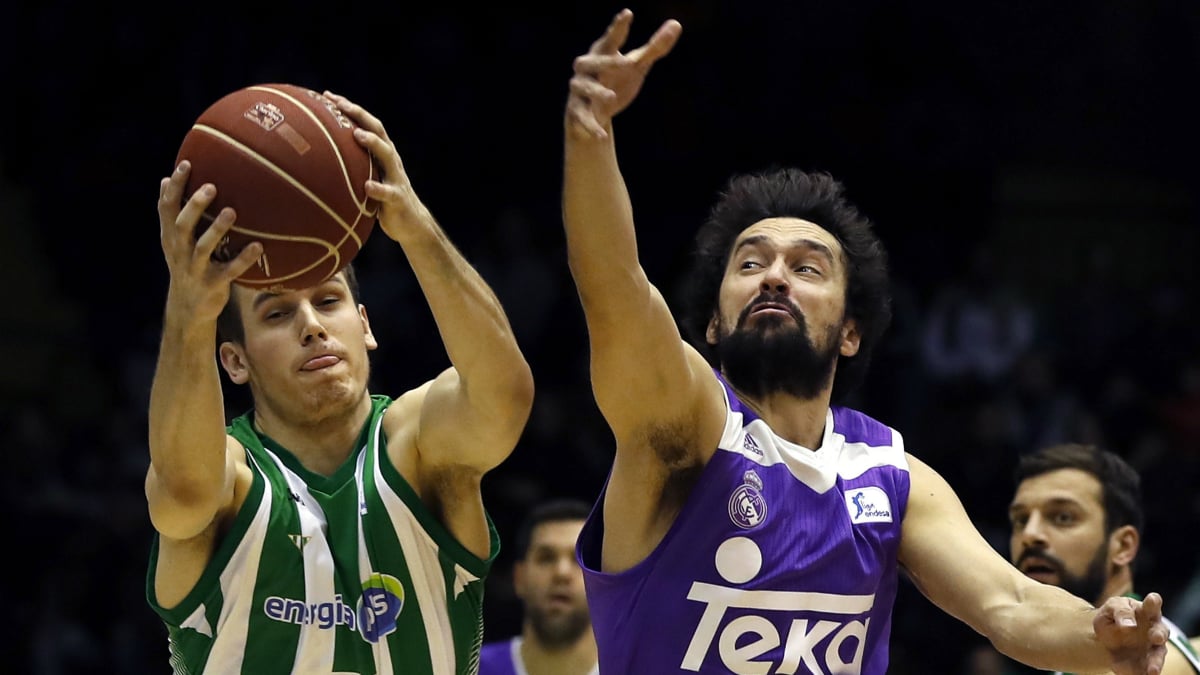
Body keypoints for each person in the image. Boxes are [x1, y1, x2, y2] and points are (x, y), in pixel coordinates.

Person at [560, 9, 1169, 674]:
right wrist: (590, 138)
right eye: (751, 262)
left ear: (850, 331)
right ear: (713, 323)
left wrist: (1101, 636)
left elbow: (1012, 604)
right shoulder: (679, 425)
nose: (775, 278)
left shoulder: (889, 473)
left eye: (808, 267)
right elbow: (614, 289)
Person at [145, 90, 534, 673]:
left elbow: (504, 400)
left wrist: (415, 227)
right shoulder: (231, 479)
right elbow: (181, 493)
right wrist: (189, 312)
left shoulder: (417, 448)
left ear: (364, 324)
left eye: (329, 301)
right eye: (277, 313)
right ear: (233, 361)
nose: (311, 325)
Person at [982, 443, 1200, 675]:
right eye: (1021, 520)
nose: (1030, 535)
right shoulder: (1063, 656)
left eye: (1063, 517)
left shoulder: (1152, 664)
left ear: (1123, 546)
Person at [479, 499, 598, 675]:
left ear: (602, 581)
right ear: (519, 578)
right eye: (546, 558)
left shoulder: (637, 668)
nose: (561, 573)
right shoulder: (468, 669)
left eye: (578, 559)